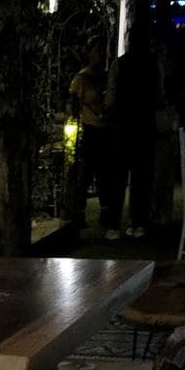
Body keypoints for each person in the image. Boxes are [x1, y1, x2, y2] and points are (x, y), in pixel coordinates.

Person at [103, 9, 167, 239]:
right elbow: (160, 96)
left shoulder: (118, 65)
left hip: (121, 128)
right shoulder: (154, 65)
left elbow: (110, 99)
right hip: (145, 128)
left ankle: (113, 225)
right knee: (142, 177)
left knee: (117, 177)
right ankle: (138, 222)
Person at [67, 38, 116, 236]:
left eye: (101, 51)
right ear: (89, 53)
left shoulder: (105, 76)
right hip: (89, 129)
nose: (100, 55)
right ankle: (79, 212)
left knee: (104, 174)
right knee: (86, 174)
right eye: (96, 51)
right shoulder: (82, 78)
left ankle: (105, 211)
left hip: (105, 129)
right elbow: (73, 104)